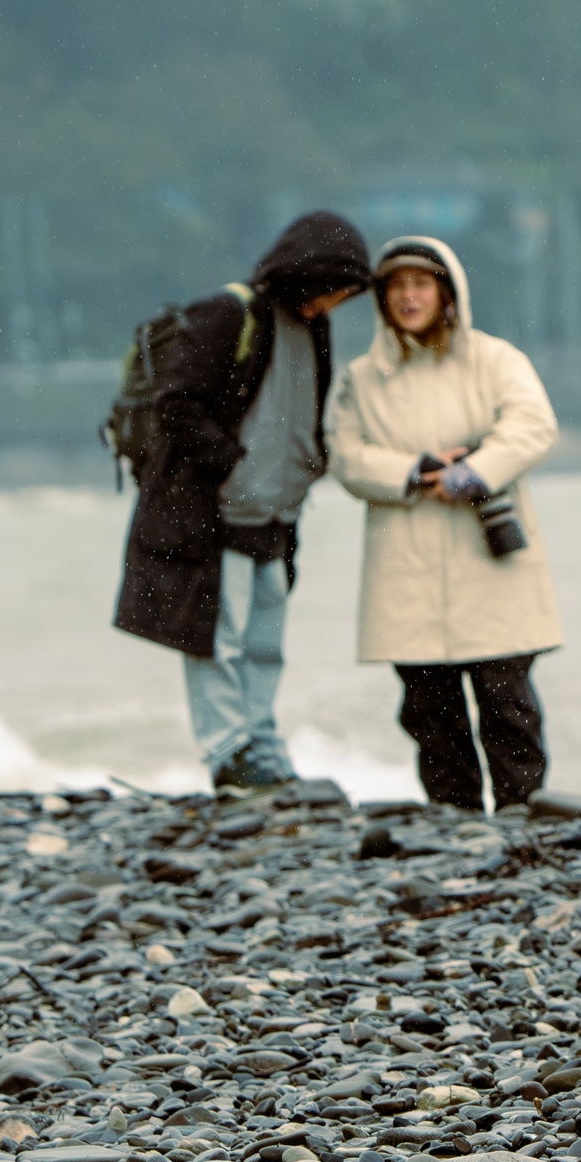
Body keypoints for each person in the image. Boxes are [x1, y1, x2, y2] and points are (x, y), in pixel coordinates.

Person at [114, 211, 372, 791]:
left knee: (264, 642)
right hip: (220, 514)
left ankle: (262, 745)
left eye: (344, 296)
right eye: (331, 289)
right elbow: (177, 405)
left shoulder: (314, 327)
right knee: (217, 637)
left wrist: (298, 476)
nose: (333, 303)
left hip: (276, 514)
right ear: (304, 273)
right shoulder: (230, 314)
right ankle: (229, 754)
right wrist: (234, 469)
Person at [327, 235, 564, 813]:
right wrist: (413, 470)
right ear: (382, 299)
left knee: (507, 699)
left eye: (420, 284)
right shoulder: (362, 377)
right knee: (428, 707)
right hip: (407, 562)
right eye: (396, 287)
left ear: (446, 291)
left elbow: (533, 425)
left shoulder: (495, 359)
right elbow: (345, 454)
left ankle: (522, 811)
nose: (409, 297)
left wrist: (474, 472)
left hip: (488, 556)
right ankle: (454, 816)